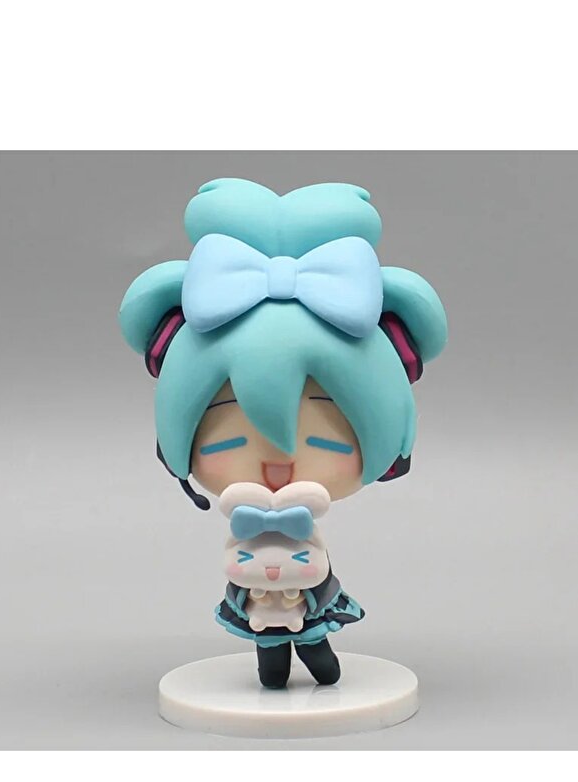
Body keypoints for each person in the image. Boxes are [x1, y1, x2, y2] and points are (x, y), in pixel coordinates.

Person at [119, 177, 447, 687]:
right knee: (270, 664)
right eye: (228, 440)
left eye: (327, 440)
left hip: (303, 600)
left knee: (320, 658)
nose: (278, 465)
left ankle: (312, 662)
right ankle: (275, 668)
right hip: (261, 605)